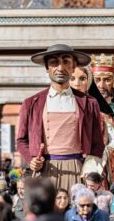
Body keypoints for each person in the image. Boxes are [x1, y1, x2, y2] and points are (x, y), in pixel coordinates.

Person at [16, 44, 104, 190]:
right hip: (44, 170)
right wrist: (31, 159)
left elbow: (98, 143)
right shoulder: (31, 103)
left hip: (78, 168)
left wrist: (90, 170)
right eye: (54, 62)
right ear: (47, 67)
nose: (60, 68)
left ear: (73, 66)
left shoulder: (89, 103)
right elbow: (21, 140)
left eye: (66, 62)